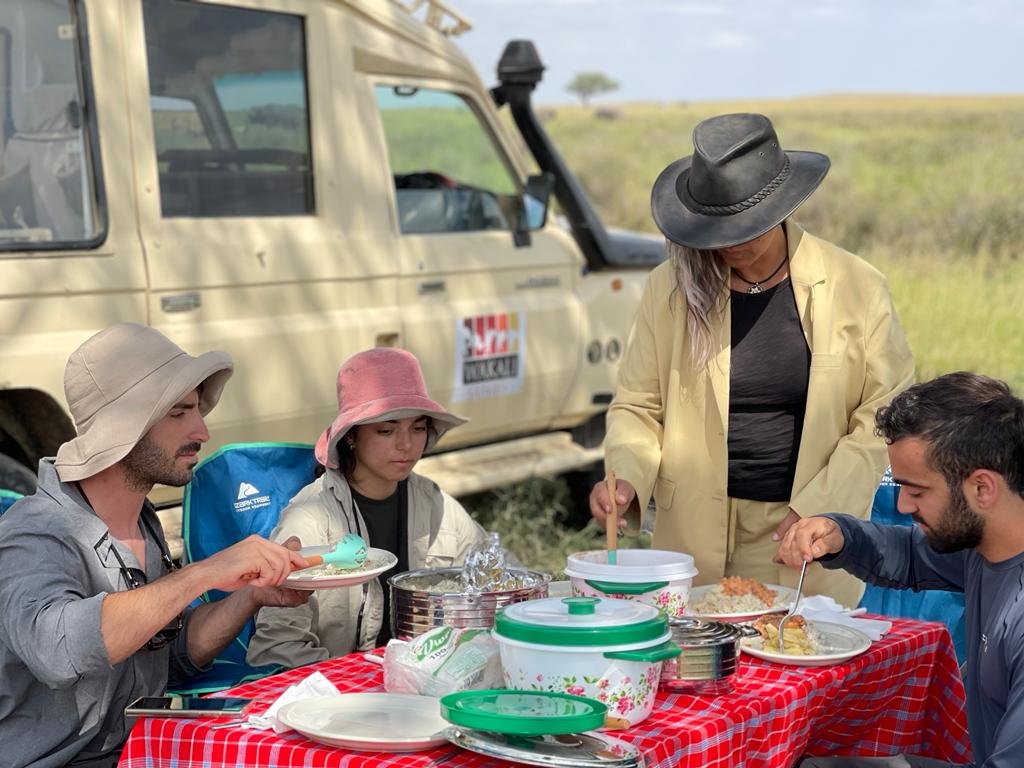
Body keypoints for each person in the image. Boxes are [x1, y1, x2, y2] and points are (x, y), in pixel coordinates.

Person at [590, 113, 914, 607]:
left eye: (745, 227)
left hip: (802, 532)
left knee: (798, 657)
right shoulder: (670, 287)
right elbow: (639, 404)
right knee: (698, 665)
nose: (731, 243)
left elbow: (882, 416)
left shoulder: (857, 286)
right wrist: (627, 478)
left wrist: (819, 508)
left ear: (781, 208)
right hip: (694, 530)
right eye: (717, 229)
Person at [0, 323, 311, 768]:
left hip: (142, 753)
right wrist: (201, 573)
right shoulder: (34, 533)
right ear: (127, 425)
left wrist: (251, 596)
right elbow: (59, 651)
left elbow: (173, 656)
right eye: (180, 412)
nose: (202, 430)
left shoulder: (140, 519)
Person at [777, 372, 1024, 768]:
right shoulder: (984, 546)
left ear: (983, 488)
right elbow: (910, 555)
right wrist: (840, 534)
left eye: (918, 491)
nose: (904, 506)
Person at [247, 347, 489, 667]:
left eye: (417, 428)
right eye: (386, 430)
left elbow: (494, 581)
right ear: (350, 437)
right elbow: (275, 648)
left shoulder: (435, 504)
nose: (406, 444)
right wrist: (356, 685)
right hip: (342, 698)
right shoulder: (311, 517)